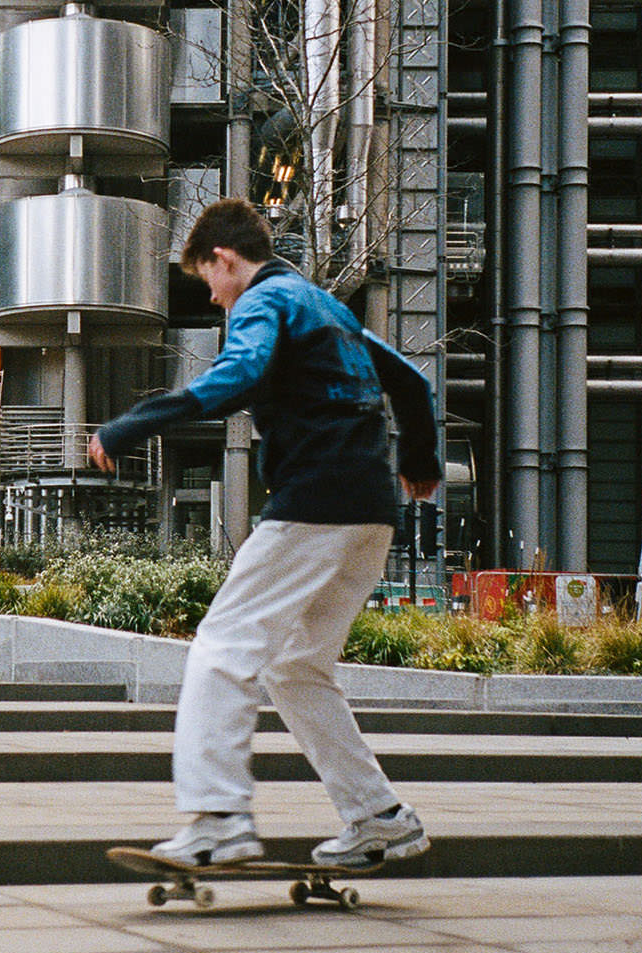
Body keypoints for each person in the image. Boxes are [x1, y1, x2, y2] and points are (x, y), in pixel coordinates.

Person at [88, 198, 442, 868]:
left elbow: (239, 374)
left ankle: (218, 818)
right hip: (371, 511)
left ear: (224, 260)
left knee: (223, 647)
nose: (218, 301)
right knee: (296, 666)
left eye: (210, 283)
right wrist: (419, 460)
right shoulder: (325, 306)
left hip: (316, 501)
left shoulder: (264, 301)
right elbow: (412, 383)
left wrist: (131, 424)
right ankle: (379, 815)